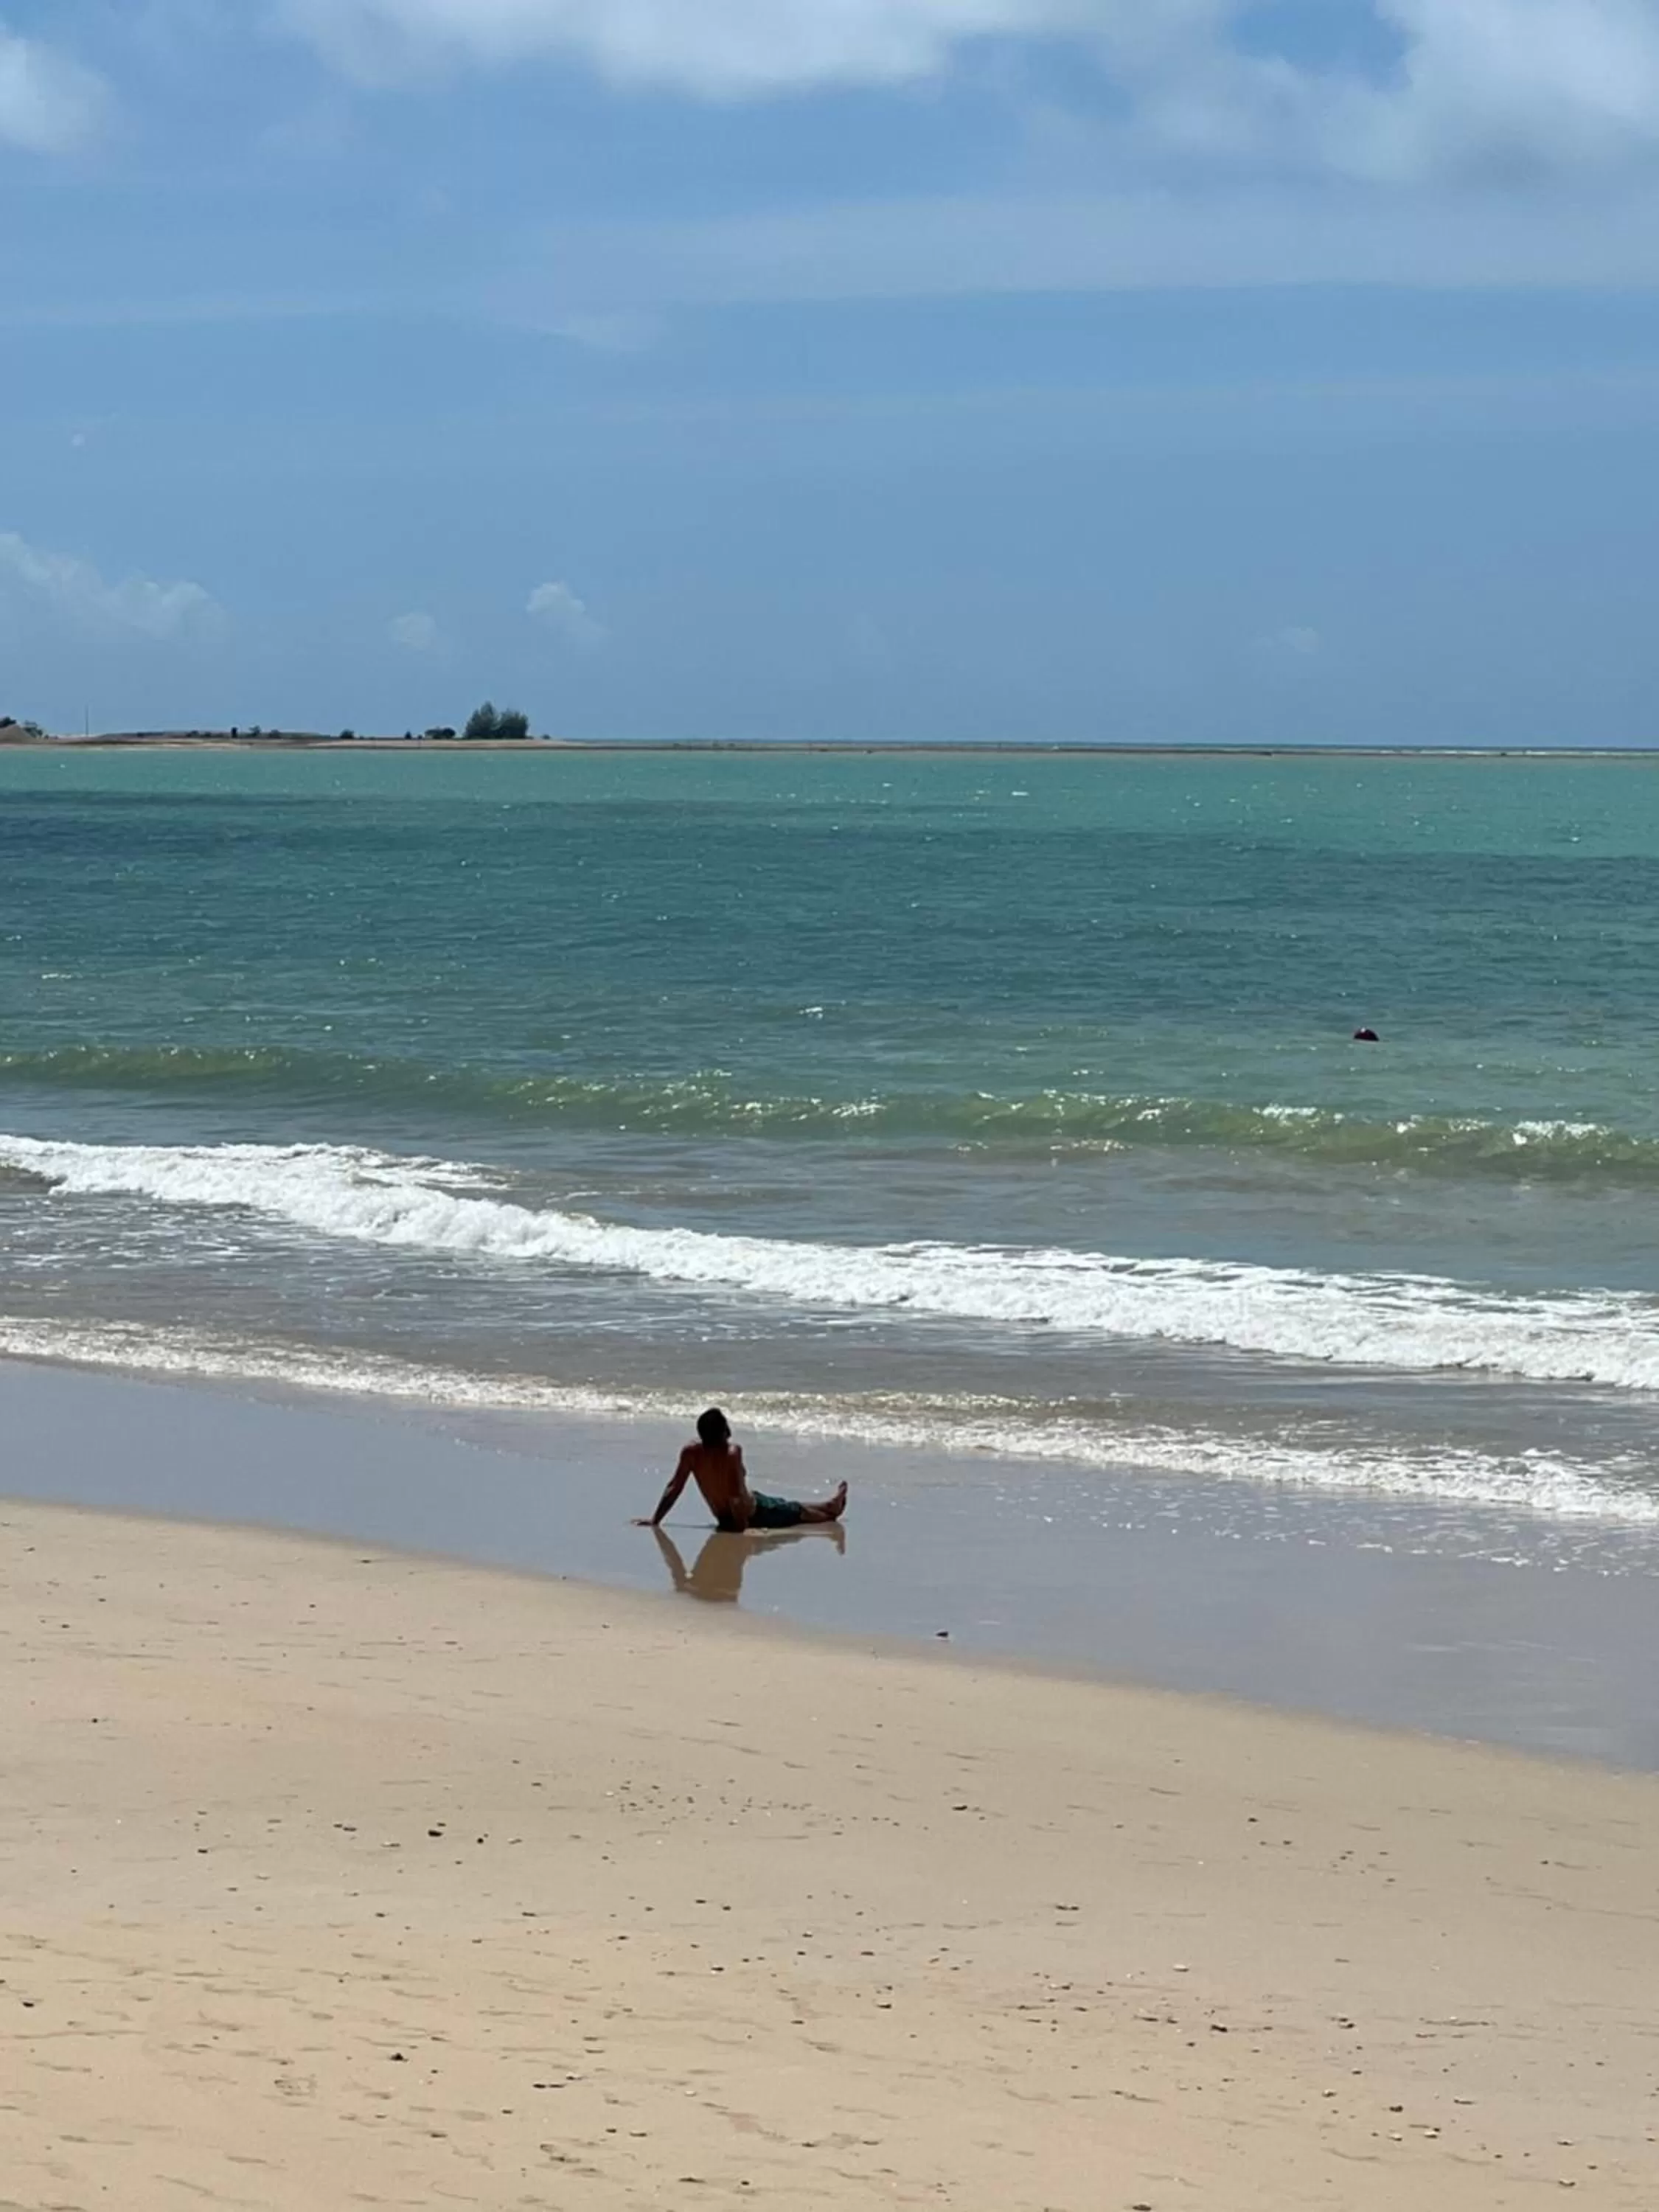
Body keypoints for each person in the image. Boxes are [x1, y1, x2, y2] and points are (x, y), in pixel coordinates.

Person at [636, 1407, 847, 1534]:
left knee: (789, 1506)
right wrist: (742, 1528)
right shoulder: (731, 1453)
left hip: (749, 1508)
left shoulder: (692, 1452)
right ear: (724, 1432)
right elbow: (735, 1495)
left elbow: (675, 1487)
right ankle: (831, 1509)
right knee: (796, 1511)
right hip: (754, 1514)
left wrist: (656, 1519)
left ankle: (830, 1505)